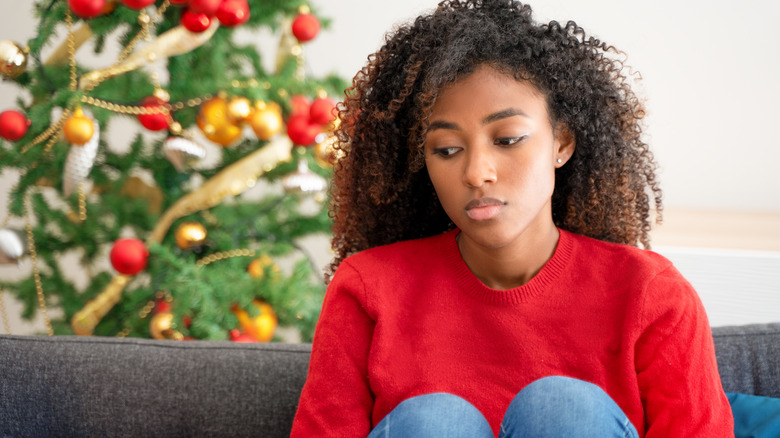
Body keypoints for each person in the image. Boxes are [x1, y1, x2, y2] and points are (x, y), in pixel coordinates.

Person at [291, 0, 734, 436]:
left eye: (507, 139)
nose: (476, 172)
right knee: (433, 422)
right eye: (446, 150)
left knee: (560, 410)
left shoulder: (650, 295)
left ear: (561, 142)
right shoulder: (368, 290)